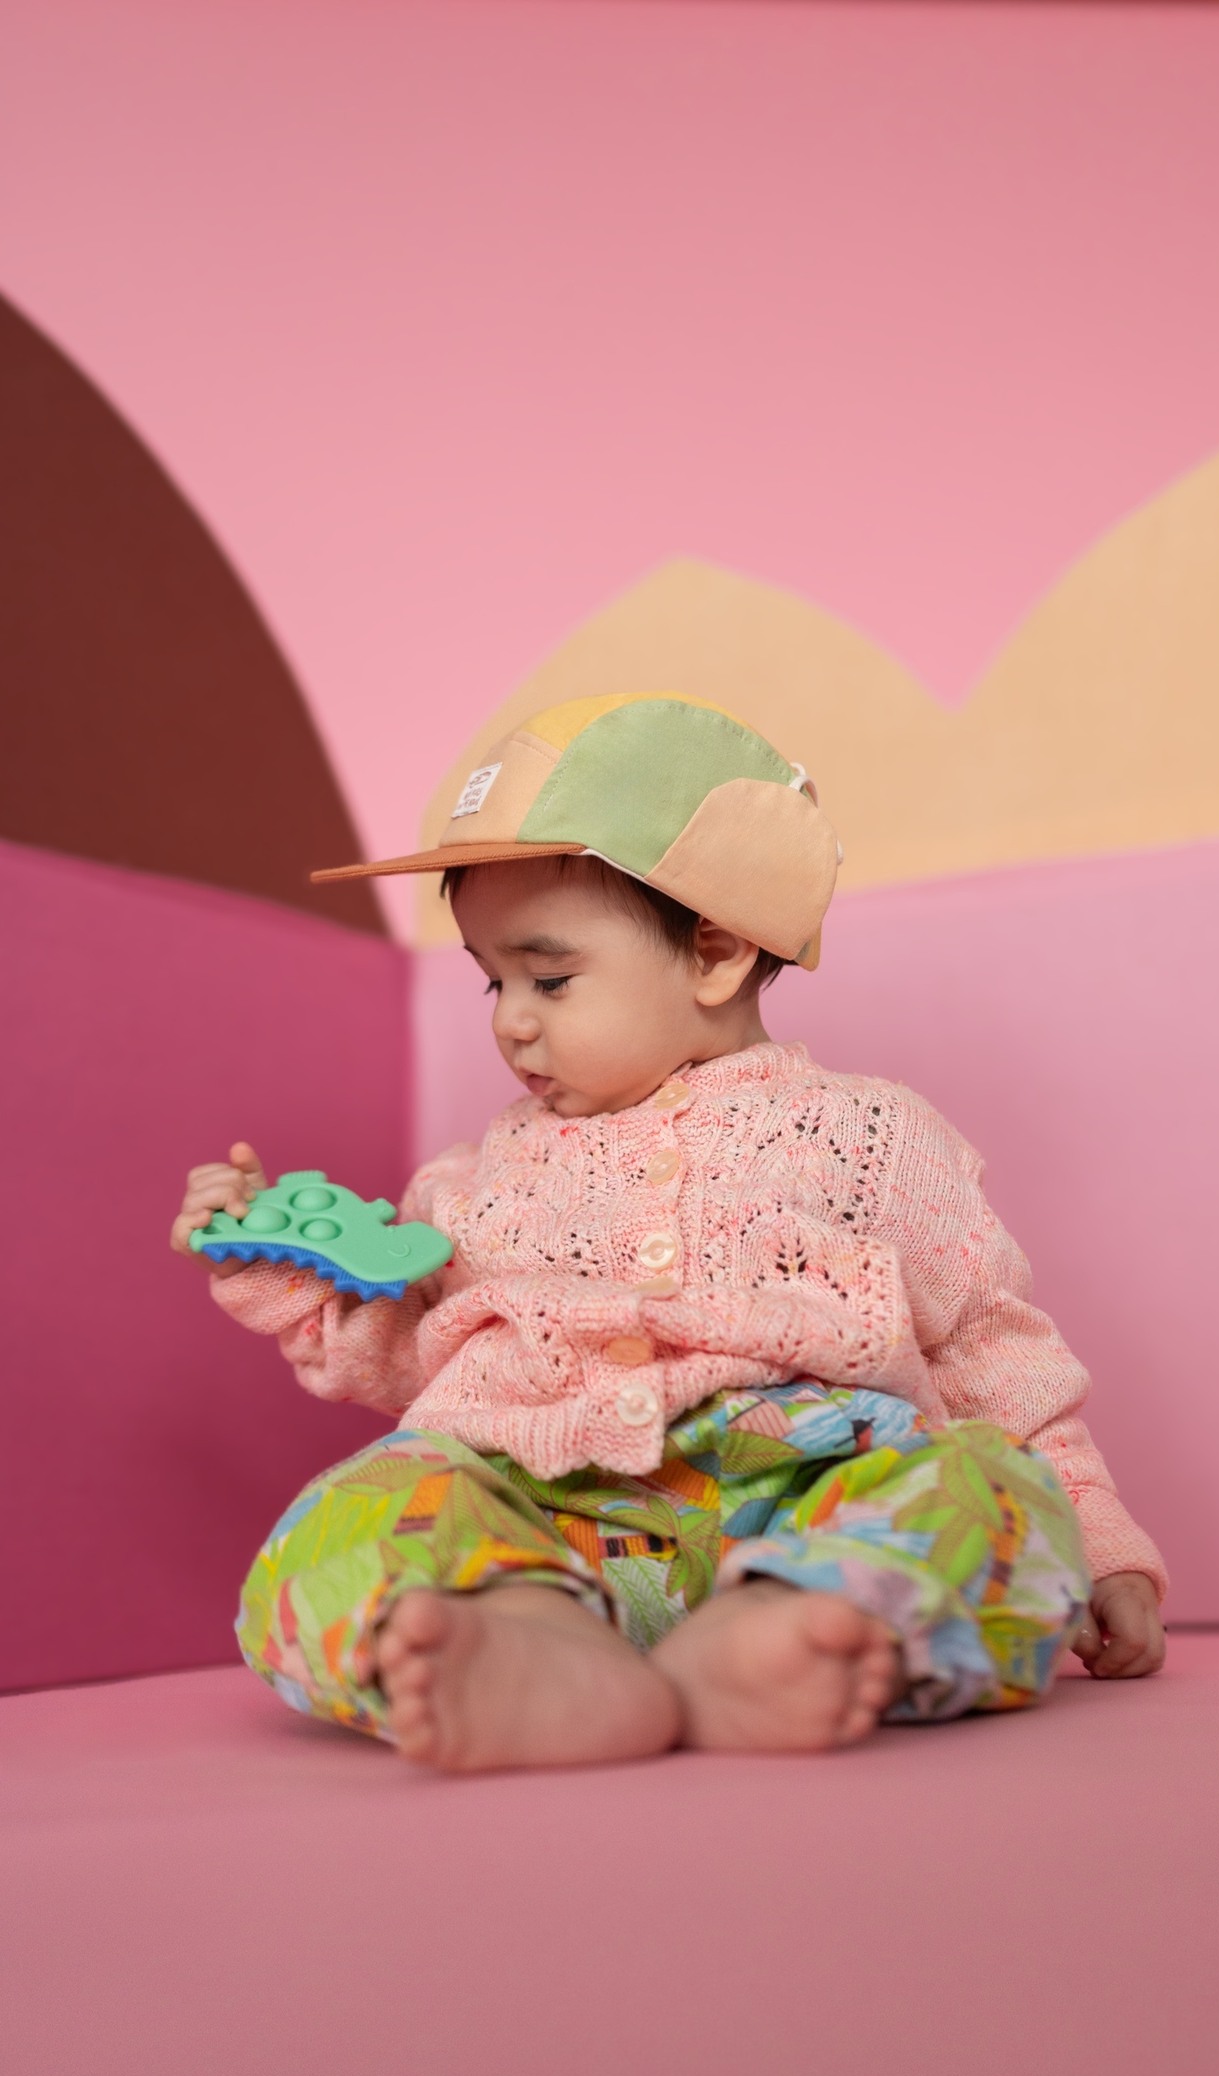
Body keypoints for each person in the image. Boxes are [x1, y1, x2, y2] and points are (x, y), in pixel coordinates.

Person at [172, 691, 1165, 1773]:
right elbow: (410, 1357)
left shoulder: (871, 1139)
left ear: (715, 952)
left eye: (550, 977)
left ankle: (780, 1631)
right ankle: (529, 1646)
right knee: (351, 1515)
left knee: (990, 1488)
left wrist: (1101, 1544)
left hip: (809, 1504)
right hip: (545, 1519)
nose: (510, 1018)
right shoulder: (473, 1182)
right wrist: (286, 1271)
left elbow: (991, 1354)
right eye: (493, 979)